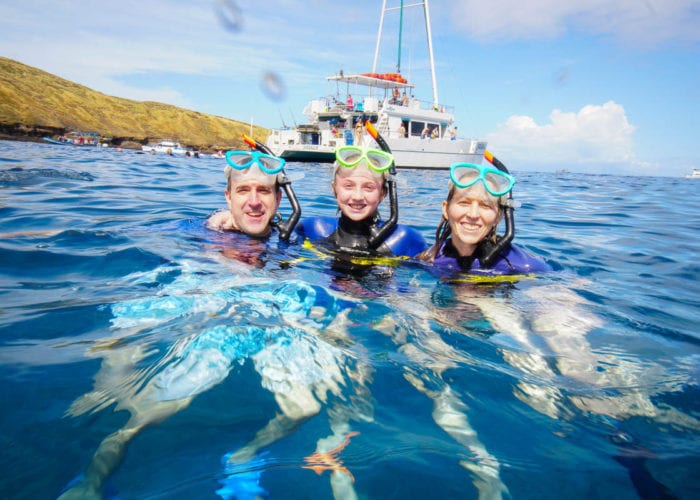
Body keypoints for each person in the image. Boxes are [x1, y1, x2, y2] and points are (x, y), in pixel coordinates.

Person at [417, 161, 550, 274]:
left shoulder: (521, 265)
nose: (473, 214)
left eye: (485, 206)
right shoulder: (428, 258)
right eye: (464, 203)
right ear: (446, 209)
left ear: (498, 216)